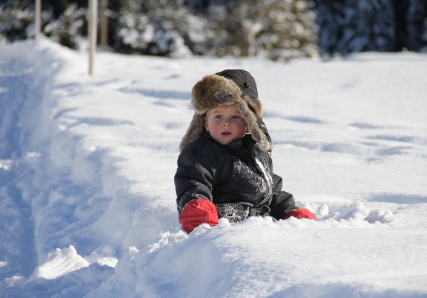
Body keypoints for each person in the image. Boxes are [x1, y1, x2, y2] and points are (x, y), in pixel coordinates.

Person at [174, 69, 315, 233]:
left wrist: (289, 212)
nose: (226, 123)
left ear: (249, 122)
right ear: (205, 123)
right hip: (222, 229)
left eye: (235, 117)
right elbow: (193, 182)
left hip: (257, 230)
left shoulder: (256, 153)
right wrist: (198, 209)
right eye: (218, 116)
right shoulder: (202, 152)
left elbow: (269, 193)